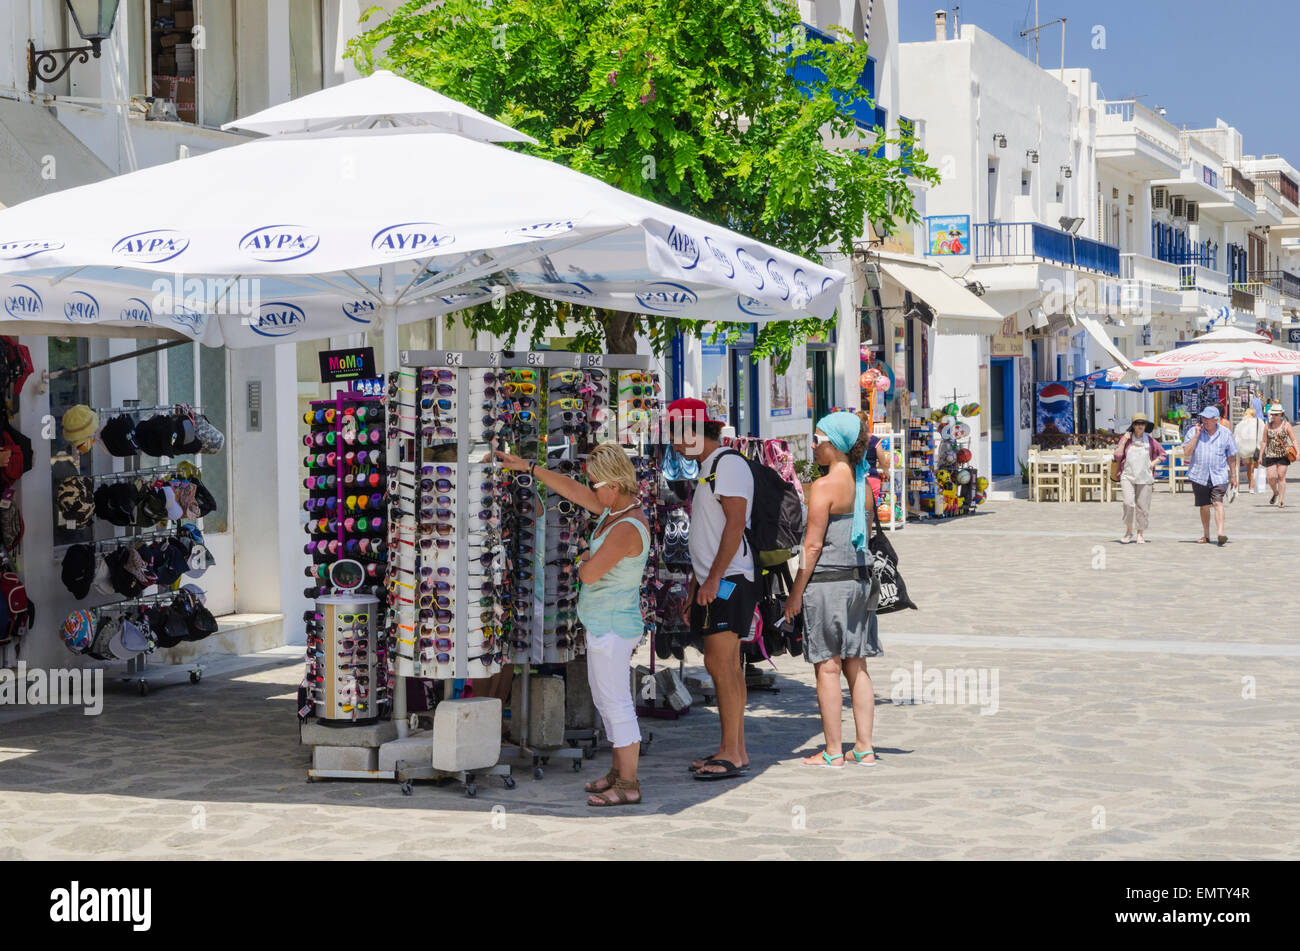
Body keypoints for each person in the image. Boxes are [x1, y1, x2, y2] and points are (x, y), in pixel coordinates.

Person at [494, 442, 650, 806]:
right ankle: (618, 772)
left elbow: (591, 573)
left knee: (616, 703)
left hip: (614, 625)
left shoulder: (626, 525)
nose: (592, 488)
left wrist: (580, 557)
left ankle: (629, 783)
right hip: (603, 624)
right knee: (605, 699)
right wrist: (529, 468)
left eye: (597, 482)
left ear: (614, 483)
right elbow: (573, 490)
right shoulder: (614, 509)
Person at [665, 397, 757, 781]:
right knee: (725, 666)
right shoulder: (710, 468)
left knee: (722, 666)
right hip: (719, 580)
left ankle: (731, 753)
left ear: (690, 432)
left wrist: (715, 578)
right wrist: (697, 587)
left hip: (731, 581)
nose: (671, 443)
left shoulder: (728, 465)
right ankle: (735, 749)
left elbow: (735, 526)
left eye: (673, 434)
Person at [784, 411, 881, 768]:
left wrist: (796, 593)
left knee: (827, 666)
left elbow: (811, 547)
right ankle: (866, 747)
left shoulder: (824, 487)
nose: (814, 446)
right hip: (860, 581)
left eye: (819, 439)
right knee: (858, 665)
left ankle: (834, 751)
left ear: (835, 446)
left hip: (827, 583)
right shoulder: (864, 487)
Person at [1182, 405, 1238, 546]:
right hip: (1199, 474)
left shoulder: (1225, 433)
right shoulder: (1193, 431)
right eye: (1203, 418)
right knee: (1204, 506)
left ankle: (1220, 532)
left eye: (1208, 419)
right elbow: (1187, 452)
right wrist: (1196, 435)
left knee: (1218, 502)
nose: (1205, 421)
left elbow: (1231, 456)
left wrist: (1234, 475)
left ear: (1216, 420)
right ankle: (1206, 535)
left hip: (1219, 474)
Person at [1112, 413, 1167, 544]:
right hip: (1127, 476)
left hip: (1145, 477)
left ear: (1145, 425)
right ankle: (1128, 530)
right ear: (1133, 426)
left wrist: (1152, 464)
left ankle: (1140, 533)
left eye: (1143, 423)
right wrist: (1124, 440)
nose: (1140, 426)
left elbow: (1163, 454)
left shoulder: (1150, 440)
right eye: (1137, 423)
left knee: (1143, 507)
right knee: (1128, 503)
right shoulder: (1126, 439)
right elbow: (1117, 456)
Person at [1258, 403, 1297, 508]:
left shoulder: (1286, 425)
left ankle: (1280, 500)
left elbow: (1293, 439)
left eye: (1276, 414)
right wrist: (1260, 455)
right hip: (1270, 454)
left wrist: (1298, 452)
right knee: (1270, 477)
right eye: (1272, 414)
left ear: (1281, 414)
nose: (1274, 416)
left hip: (1283, 454)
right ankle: (1275, 492)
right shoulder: (1268, 425)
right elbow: (1264, 442)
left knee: (1281, 476)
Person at [1234, 407, 1264, 493]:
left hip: (1245, 449)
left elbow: (1236, 436)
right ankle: (1253, 486)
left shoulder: (1241, 423)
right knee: (1255, 467)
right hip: (1256, 448)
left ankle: (1251, 486)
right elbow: (1263, 434)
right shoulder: (1259, 421)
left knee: (1248, 467)